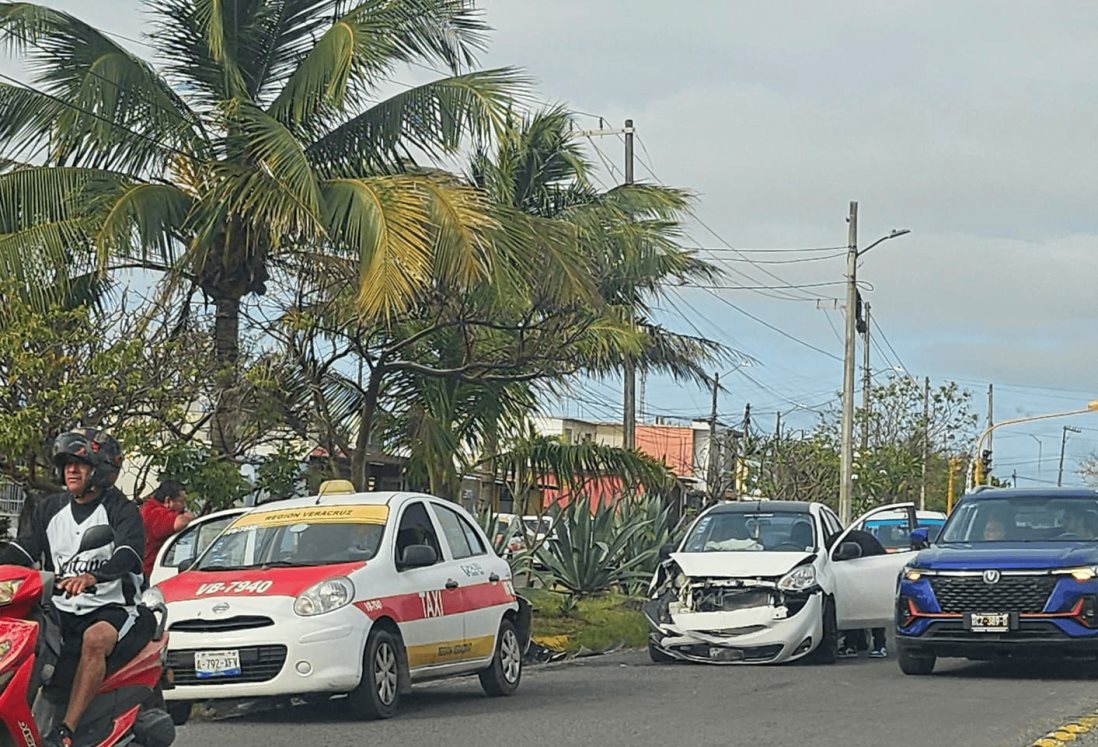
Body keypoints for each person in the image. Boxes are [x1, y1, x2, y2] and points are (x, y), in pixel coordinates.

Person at [0, 428, 146, 747]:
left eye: (80, 464)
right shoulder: (50, 509)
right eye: (66, 464)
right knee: (20, 638)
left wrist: (94, 577)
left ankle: (65, 731)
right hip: (61, 609)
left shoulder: (122, 511)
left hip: (114, 608)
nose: (71, 470)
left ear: (101, 470)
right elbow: (23, 550)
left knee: (95, 640)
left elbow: (128, 554)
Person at [828, 528, 889, 659]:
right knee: (870, 607)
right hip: (874, 574)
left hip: (871, 573)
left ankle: (854, 645)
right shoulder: (842, 540)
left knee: (860, 606)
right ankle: (878, 645)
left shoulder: (835, 543)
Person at [140, 480, 193, 579]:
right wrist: (188, 517)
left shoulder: (147, 509)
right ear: (168, 501)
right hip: (148, 573)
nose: (184, 506)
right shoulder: (155, 513)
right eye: (181, 501)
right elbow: (179, 522)